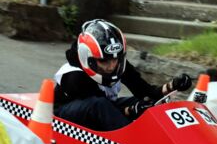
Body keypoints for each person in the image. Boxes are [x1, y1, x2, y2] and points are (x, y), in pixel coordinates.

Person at [54, 19, 192, 131]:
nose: (111, 66)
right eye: (104, 61)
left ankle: (170, 137)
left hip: (104, 107)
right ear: (87, 57)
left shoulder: (119, 65)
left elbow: (145, 92)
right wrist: (131, 111)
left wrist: (172, 86)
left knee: (147, 103)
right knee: (100, 105)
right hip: (64, 114)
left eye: (115, 59)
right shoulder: (74, 77)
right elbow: (101, 109)